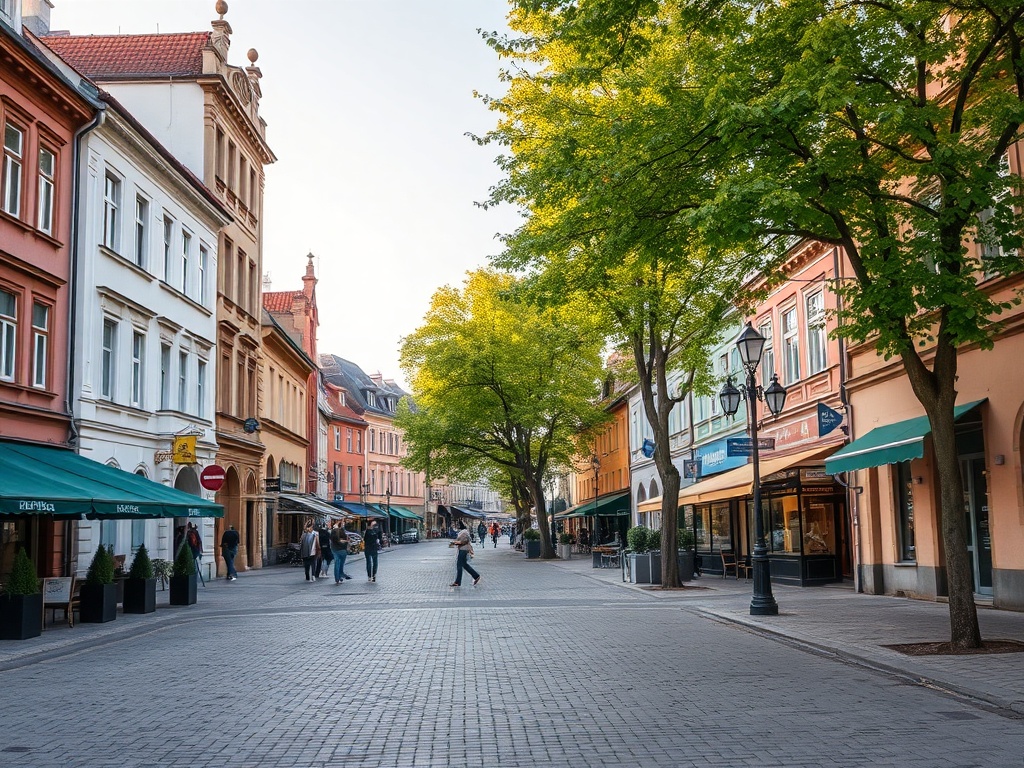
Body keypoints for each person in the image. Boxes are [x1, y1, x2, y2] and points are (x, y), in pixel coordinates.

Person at [449, 521, 481, 587]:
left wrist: (456, 543)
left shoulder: (464, 532)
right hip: (463, 549)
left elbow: (464, 541)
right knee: (464, 565)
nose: (456, 527)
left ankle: (458, 582)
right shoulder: (463, 532)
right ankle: (476, 576)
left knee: (459, 565)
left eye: (457, 525)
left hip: (463, 549)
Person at [186, 522, 205, 587]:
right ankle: (194, 579)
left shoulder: (189, 533)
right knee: (195, 566)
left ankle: (192, 579)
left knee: (193, 566)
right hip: (196, 551)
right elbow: (199, 542)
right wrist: (200, 551)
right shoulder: (195, 533)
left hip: (192, 551)